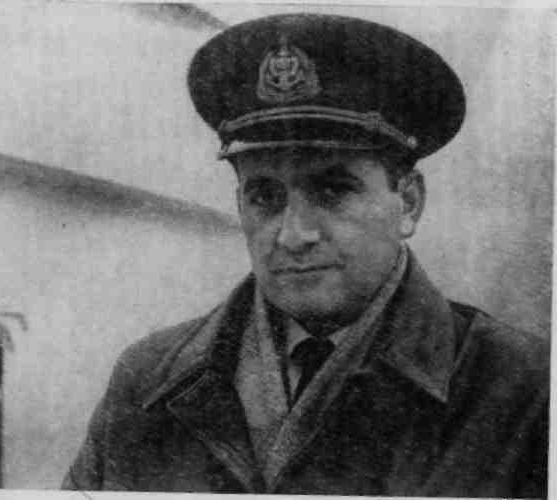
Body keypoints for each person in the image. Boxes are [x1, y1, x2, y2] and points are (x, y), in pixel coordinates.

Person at [62, 13, 549, 497]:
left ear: (408, 203)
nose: (293, 235)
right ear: (240, 205)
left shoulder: (523, 390)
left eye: (333, 190)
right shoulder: (147, 380)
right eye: (265, 196)